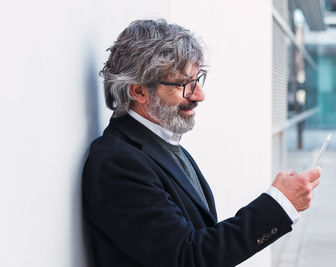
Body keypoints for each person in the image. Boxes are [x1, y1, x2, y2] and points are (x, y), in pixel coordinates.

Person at [82, 19, 321, 267]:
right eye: (184, 84)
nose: (199, 95)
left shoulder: (160, 141)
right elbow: (188, 257)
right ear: (139, 92)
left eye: (198, 80)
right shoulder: (118, 164)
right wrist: (279, 204)